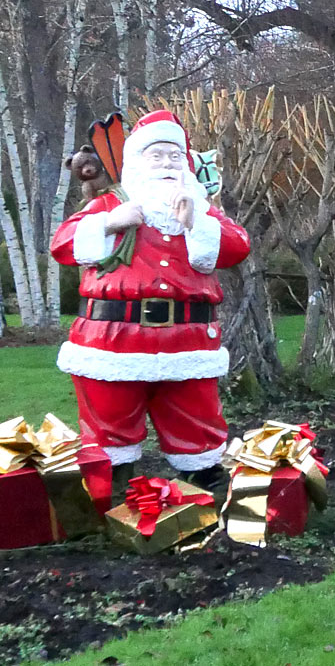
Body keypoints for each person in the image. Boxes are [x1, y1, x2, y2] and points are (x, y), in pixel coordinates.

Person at [50, 110, 250, 494]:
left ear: (186, 164)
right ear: (137, 162)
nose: (166, 164)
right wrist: (110, 223)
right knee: (110, 423)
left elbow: (237, 246)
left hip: (188, 339)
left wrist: (196, 222)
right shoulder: (110, 204)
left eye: (175, 156)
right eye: (156, 156)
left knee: (195, 420)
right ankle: (114, 494)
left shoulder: (202, 209)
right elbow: (63, 244)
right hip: (113, 339)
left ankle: (203, 490)